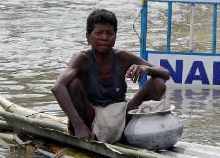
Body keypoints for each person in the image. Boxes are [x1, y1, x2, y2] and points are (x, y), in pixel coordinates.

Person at [52, 9, 170, 143]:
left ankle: (132, 133)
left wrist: (146, 69)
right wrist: (79, 126)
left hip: (121, 115)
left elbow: (165, 74)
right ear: (88, 37)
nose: (104, 37)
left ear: (115, 36)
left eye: (109, 33)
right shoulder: (82, 58)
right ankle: (83, 132)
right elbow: (57, 87)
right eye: (99, 33)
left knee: (158, 83)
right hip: (92, 118)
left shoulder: (122, 57)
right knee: (73, 84)